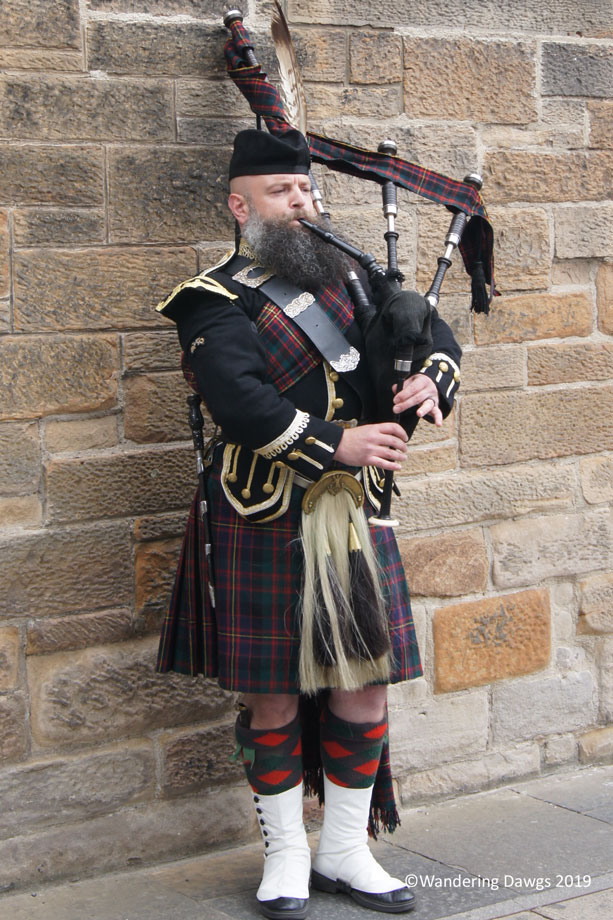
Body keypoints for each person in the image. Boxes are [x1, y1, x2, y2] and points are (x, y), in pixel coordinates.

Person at [156, 128, 461, 919]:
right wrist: (340, 442)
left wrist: (430, 379)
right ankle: (286, 854)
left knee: (363, 685)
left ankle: (345, 850)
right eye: (282, 192)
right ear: (239, 205)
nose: (302, 202)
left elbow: (431, 333)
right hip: (262, 513)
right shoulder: (210, 298)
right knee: (273, 695)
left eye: (306, 189)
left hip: (357, 516)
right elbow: (239, 400)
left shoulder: (356, 280)